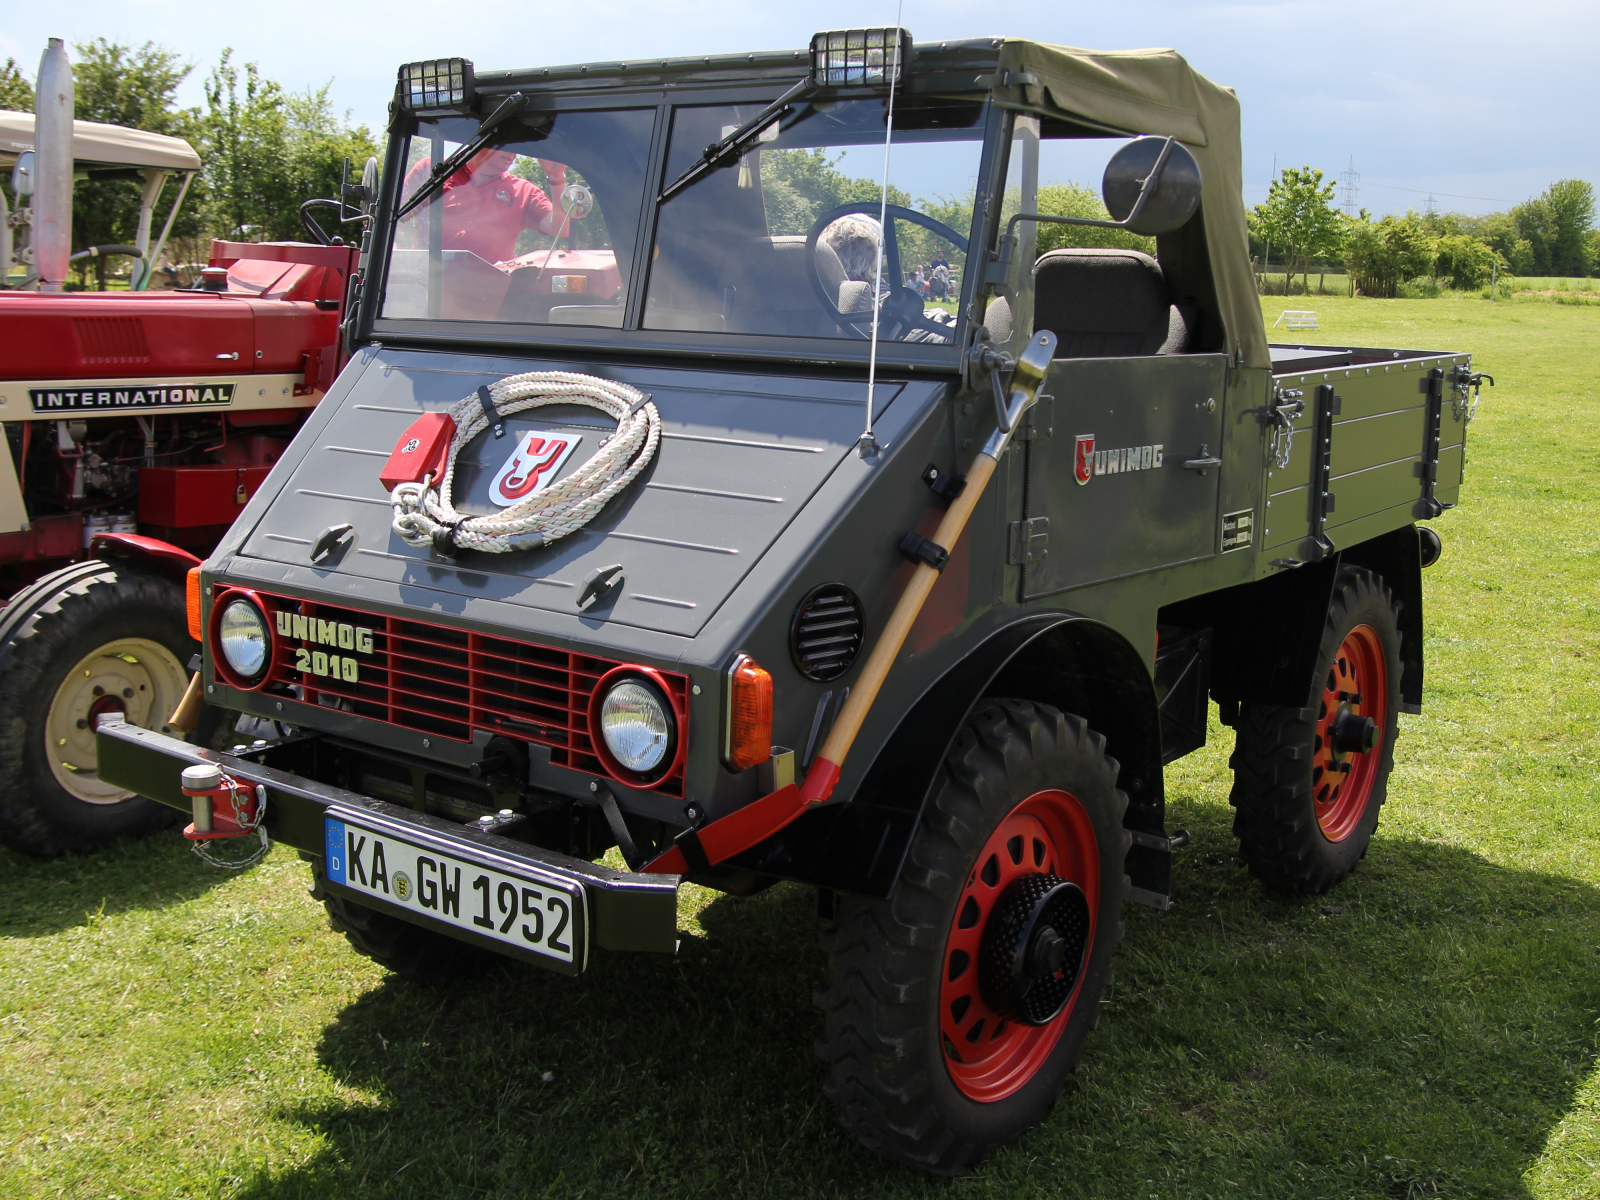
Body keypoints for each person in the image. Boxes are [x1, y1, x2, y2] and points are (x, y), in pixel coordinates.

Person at [401, 148, 584, 263]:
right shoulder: (433, 169)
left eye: (517, 144)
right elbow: (396, 218)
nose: (513, 151)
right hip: (427, 285)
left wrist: (556, 177)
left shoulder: (522, 190)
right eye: (505, 141)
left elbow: (560, 227)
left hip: (489, 299)